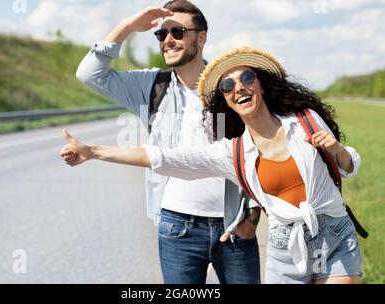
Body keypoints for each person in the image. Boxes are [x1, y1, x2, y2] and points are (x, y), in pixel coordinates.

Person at [62, 46, 363, 284]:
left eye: (246, 78)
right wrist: (93, 151)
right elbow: (162, 158)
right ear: (225, 100)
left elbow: (349, 165)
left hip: (334, 233)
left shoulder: (305, 120)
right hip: (285, 249)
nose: (239, 88)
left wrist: (337, 150)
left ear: (261, 83)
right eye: (228, 86)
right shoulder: (232, 153)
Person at [74, 0, 260, 284]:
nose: (168, 40)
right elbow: (89, 74)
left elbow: (260, 146)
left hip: (234, 224)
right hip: (177, 229)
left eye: (177, 32)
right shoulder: (150, 86)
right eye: (162, 34)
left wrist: (253, 214)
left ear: (201, 37)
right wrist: (127, 27)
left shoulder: (230, 86)